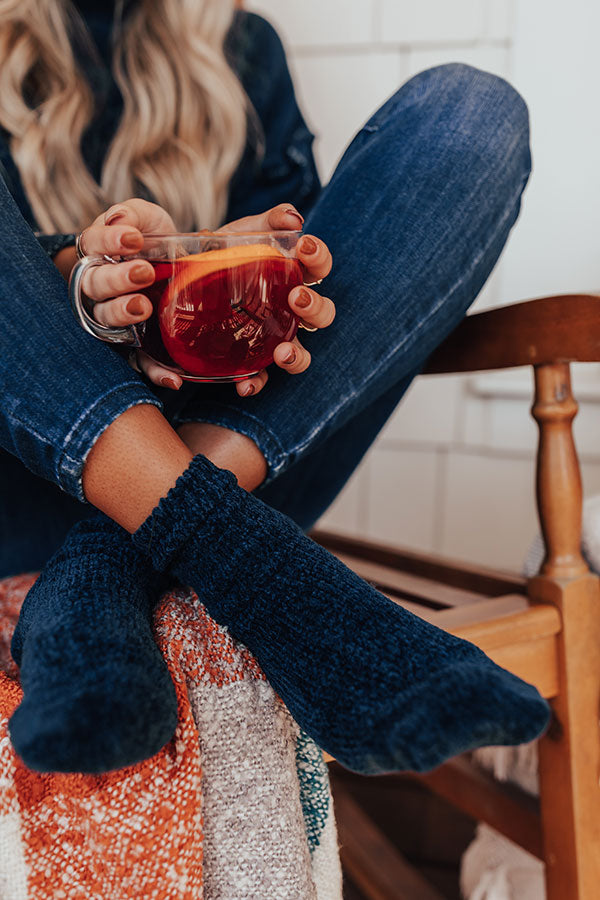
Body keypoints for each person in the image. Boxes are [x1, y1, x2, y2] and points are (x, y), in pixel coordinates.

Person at [0, 0, 550, 775]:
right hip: (24, 481)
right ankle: (272, 582)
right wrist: (80, 275)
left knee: (471, 111)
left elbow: (330, 270)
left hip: (240, 454)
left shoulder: (243, 47)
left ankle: (105, 566)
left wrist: (254, 271)